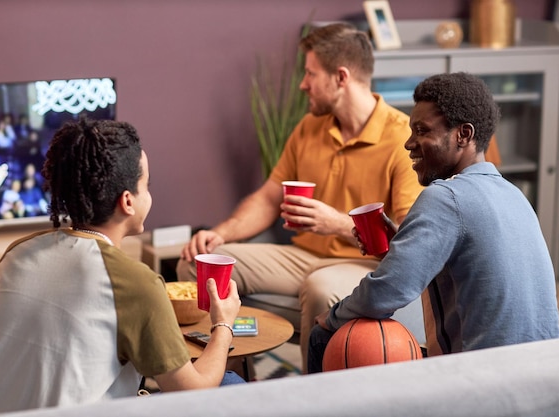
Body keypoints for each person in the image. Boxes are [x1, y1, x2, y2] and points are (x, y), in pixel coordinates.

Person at [0, 118, 243, 417]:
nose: (149, 194)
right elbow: (193, 392)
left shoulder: (19, 251)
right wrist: (224, 325)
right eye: (147, 185)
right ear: (128, 201)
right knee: (230, 384)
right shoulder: (134, 282)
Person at [176, 22, 424, 372]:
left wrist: (338, 223)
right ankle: (221, 376)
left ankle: (311, 395)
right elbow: (267, 198)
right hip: (302, 256)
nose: (302, 84)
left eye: (310, 74)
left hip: (365, 264)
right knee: (199, 262)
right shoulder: (310, 127)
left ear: (340, 77)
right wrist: (223, 233)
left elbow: (408, 240)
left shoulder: (401, 138)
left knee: (320, 287)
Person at [307, 72, 559, 373]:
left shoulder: (445, 197)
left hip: (491, 381)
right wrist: (400, 250)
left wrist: (332, 316)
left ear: (463, 135)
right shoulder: (514, 195)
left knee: (323, 337)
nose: (409, 143)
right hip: (549, 372)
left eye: (422, 131)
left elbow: (384, 294)